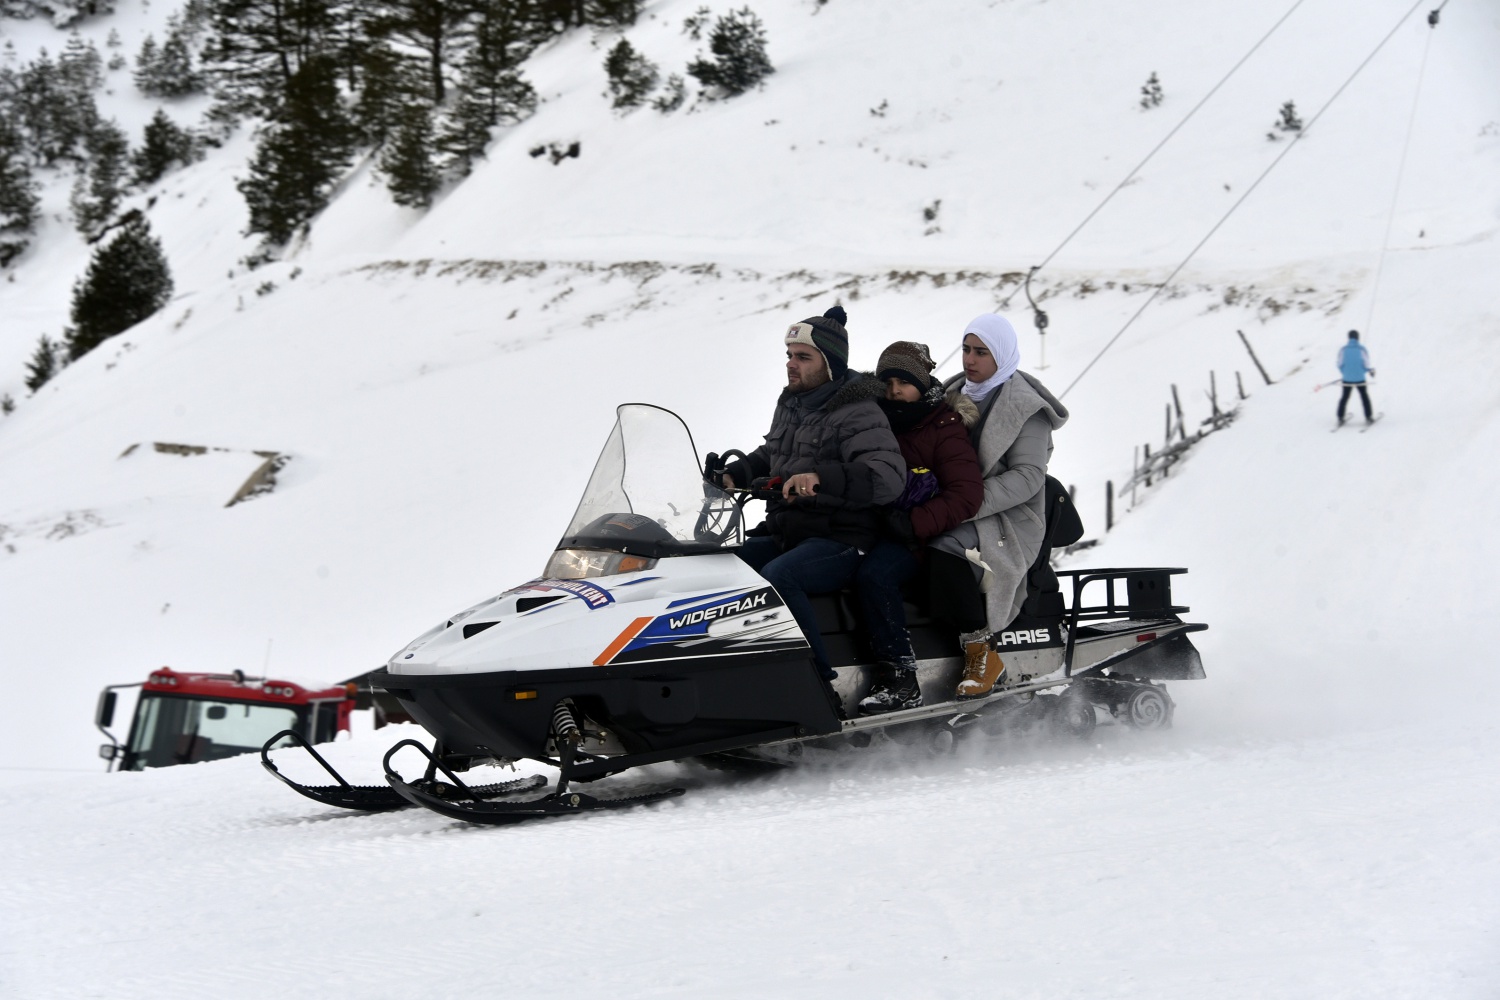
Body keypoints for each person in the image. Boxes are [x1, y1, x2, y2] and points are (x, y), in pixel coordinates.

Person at [719, 306, 906, 710]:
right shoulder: (794, 402)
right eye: (789, 355)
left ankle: (818, 690)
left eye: (803, 357)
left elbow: (887, 477)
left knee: (779, 576)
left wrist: (820, 477)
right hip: (791, 530)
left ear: (831, 364)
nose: (791, 365)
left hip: (842, 536)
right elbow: (774, 452)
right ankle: (736, 679)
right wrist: (733, 473)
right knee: (721, 567)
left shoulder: (858, 410)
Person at [932, 313, 1068, 700]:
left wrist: (962, 504)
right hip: (955, 503)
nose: (969, 360)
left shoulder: (1026, 408)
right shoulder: (951, 394)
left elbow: (1028, 477)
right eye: (966, 349)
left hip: (1008, 517)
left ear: (1002, 355)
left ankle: (981, 653)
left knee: (944, 546)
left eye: (981, 352)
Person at [853, 341, 984, 715]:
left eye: (905, 381)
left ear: (924, 384)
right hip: (871, 527)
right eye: (888, 381)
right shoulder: (873, 420)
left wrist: (913, 523)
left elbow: (965, 494)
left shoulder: (944, 426)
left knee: (875, 577)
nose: (895, 390)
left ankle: (901, 678)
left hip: (919, 538)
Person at [1336, 330, 1375, 425]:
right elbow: (1367, 364)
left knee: (1345, 397)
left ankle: (1340, 417)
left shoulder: (1343, 349)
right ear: (1358, 337)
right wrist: (1369, 371)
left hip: (1347, 379)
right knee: (1364, 396)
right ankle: (1368, 417)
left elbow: (1339, 364)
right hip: (1360, 378)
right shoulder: (1361, 349)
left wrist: (1345, 373)